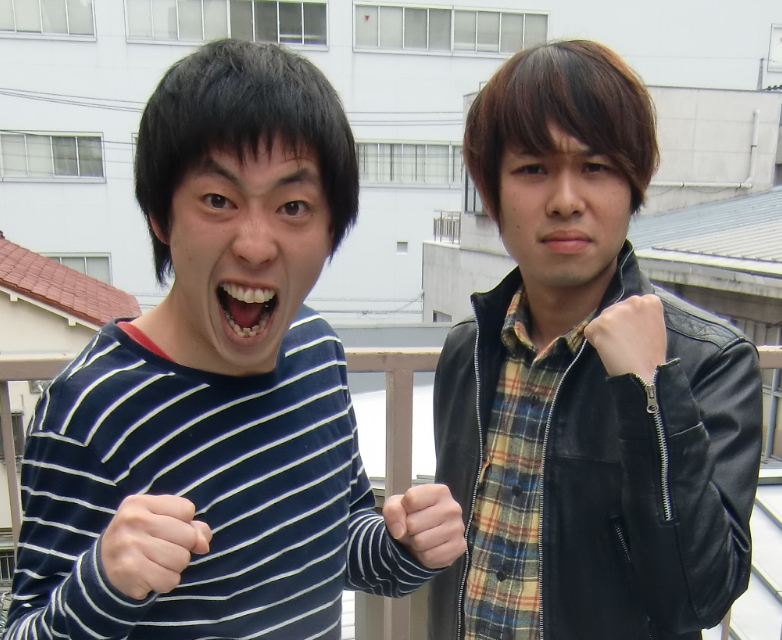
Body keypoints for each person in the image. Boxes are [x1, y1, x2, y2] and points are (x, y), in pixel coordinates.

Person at [4, 39, 466, 640]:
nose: (254, 244)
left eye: (293, 206)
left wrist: (405, 546)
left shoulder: (316, 353)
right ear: (160, 216)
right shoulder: (89, 411)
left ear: (332, 229)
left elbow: (339, 540)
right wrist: (103, 584)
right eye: (218, 200)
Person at [428, 39, 762, 640]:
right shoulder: (468, 350)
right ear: (492, 190)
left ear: (634, 184)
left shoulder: (708, 360)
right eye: (533, 169)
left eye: (596, 167)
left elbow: (700, 598)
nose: (565, 201)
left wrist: (650, 394)